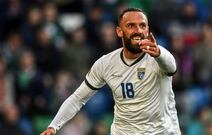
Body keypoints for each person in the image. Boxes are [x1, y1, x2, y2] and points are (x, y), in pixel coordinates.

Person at [40, 8, 181, 135]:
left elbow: (171, 67)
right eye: (131, 25)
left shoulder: (158, 57)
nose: (138, 30)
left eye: (142, 25)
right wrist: (53, 126)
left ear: (148, 30)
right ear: (119, 31)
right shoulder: (106, 63)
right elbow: (78, 98)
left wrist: (158, 53)